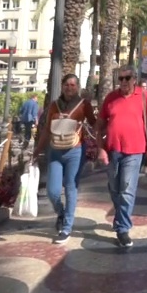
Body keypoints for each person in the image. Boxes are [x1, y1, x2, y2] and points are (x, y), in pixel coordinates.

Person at [95, 65, 147, 248]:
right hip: (113, 150)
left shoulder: (143, 96)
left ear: (134, 79)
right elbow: (99, 124)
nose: (123, 82)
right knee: (115, 188)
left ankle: (122, 229)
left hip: (135, 150)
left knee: (127, 190)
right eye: (120, 78)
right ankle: (120, 219)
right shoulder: (111, 98)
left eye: (127, 78)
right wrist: (100, 148)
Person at [32, 74, 95, 244]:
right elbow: (46, 129)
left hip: (75, 151)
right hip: (55, 151)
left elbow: (94, 123)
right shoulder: (54, 106)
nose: (69, 88)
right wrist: (37, 150)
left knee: (70, 188)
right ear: (62, 86)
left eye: (73, 85)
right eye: (67, 85)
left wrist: (102, 143)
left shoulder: (84, 105)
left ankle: (67, 227)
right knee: (52, 191)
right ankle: (61, 212)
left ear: (78, 87)